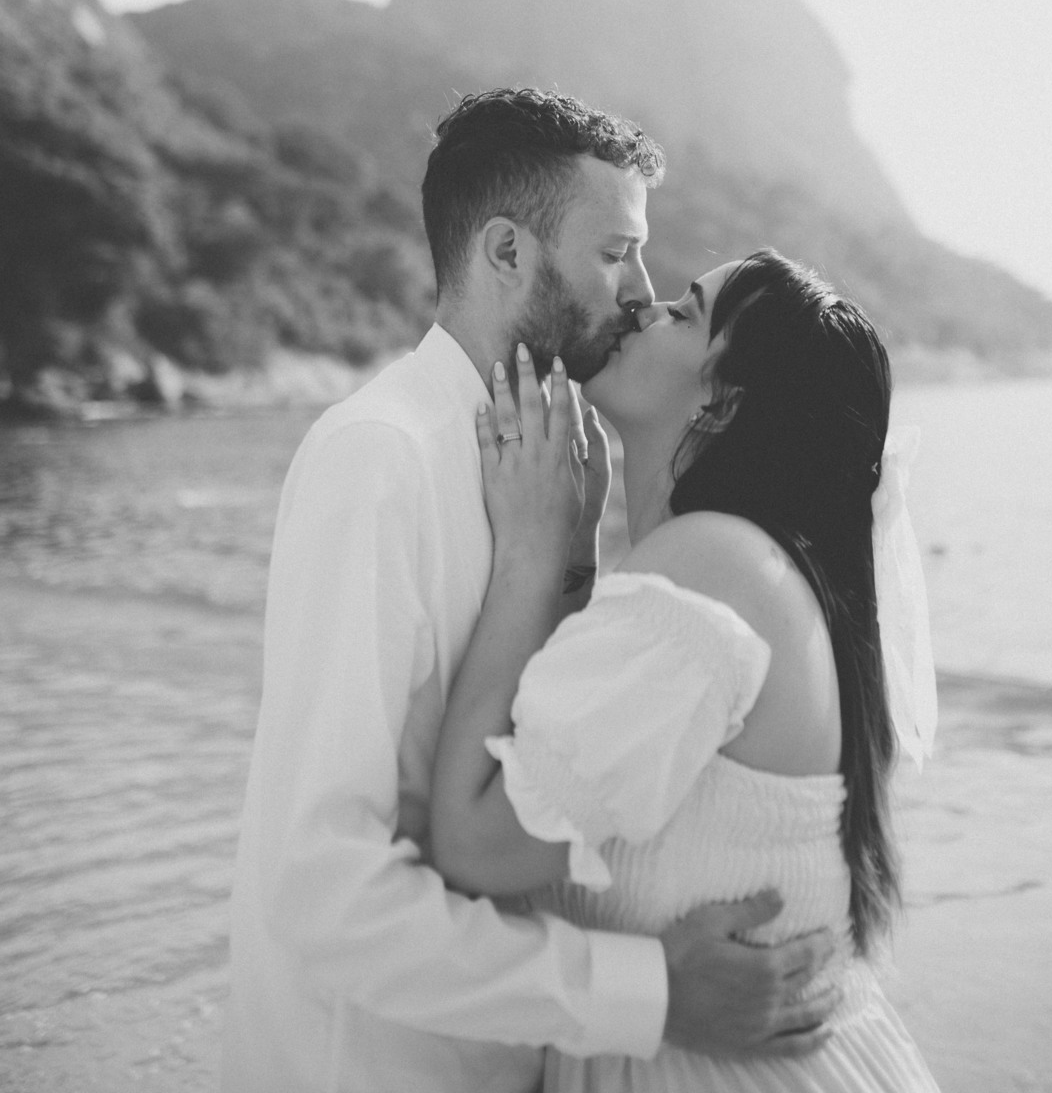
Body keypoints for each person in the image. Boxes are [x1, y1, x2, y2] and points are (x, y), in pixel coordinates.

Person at [222, 90, 840, 1093]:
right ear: (508, 252)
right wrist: (651, 994)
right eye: (616, 253)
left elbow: (553, 758)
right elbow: (322, 886)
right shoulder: (380, 460)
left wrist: (566, 564)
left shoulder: (550, 472)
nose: (641, 292)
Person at [430, 248, 942, 1091]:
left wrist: (529, 551)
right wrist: (574, 547)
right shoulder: (742, 568)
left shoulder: (713, 566)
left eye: (686, 312)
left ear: (723, 400)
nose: (645, 305)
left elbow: (474, 845)